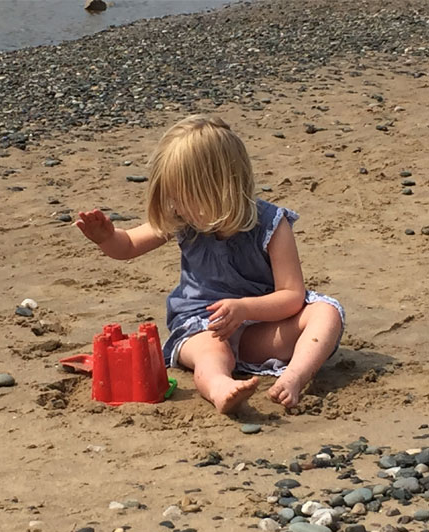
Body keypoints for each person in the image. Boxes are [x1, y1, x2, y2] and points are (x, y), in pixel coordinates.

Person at [76, 115, 344, 414]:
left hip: (260, 326)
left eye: (182, 195)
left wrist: (244, 309)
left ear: (219, 188)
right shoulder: (183, 220)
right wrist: (106, 237)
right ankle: (220, 387)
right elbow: (127, 247)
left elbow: (292, 296)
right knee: (211, 353)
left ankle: (294, 375)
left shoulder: (272, 224)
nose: (175, 206)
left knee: (326, 311)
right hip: (202, 327)